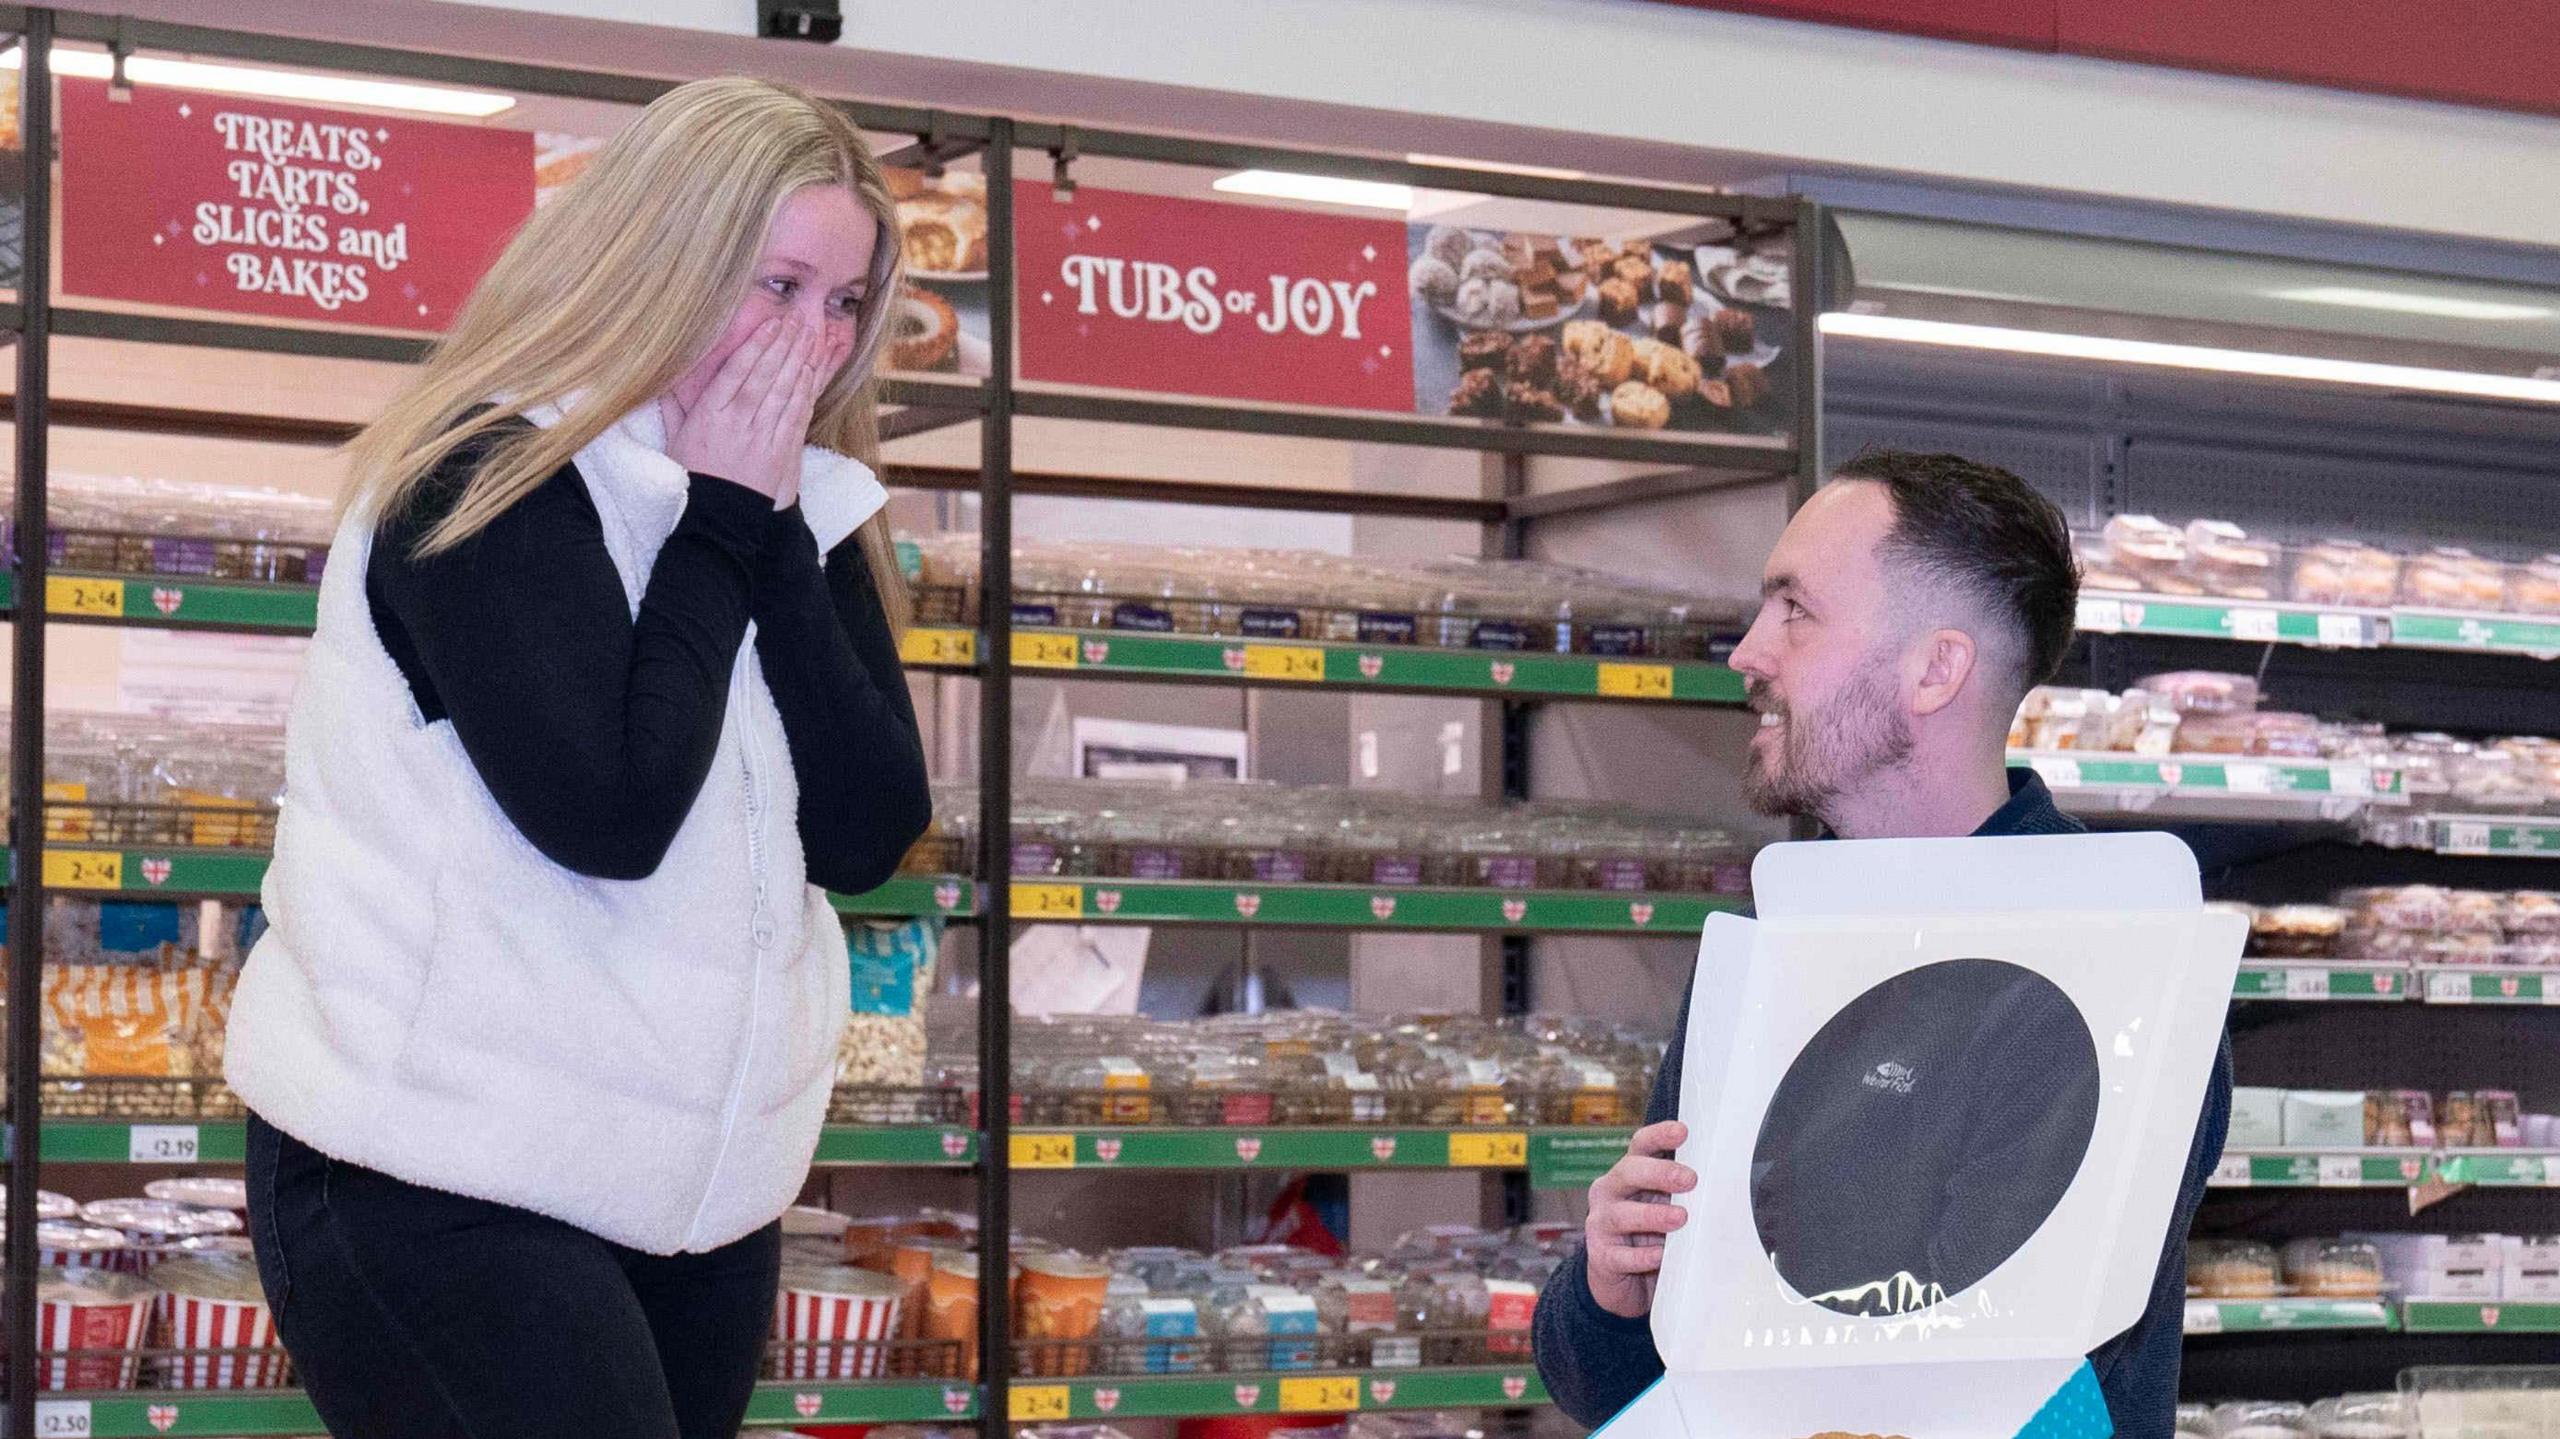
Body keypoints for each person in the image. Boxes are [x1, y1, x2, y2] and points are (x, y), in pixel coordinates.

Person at [222, 77, 933, 1439]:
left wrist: (770, 531)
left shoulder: (797, 501)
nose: (813, 341)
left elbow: (864, 829)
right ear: (665, 257)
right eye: (779, 285)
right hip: (429, 1167)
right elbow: (608, 808)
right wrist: (724, 519)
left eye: (844, 305)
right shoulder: (482, 474)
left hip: (700, 1198)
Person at [1531, 450, 2233, 1438]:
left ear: (1934, 668)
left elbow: (1975, 1369)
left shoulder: (2108, 968)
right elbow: (1618, 1384)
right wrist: (1609, 1283)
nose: (1747, 651)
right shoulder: (1776, 938)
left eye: (1794, 610)